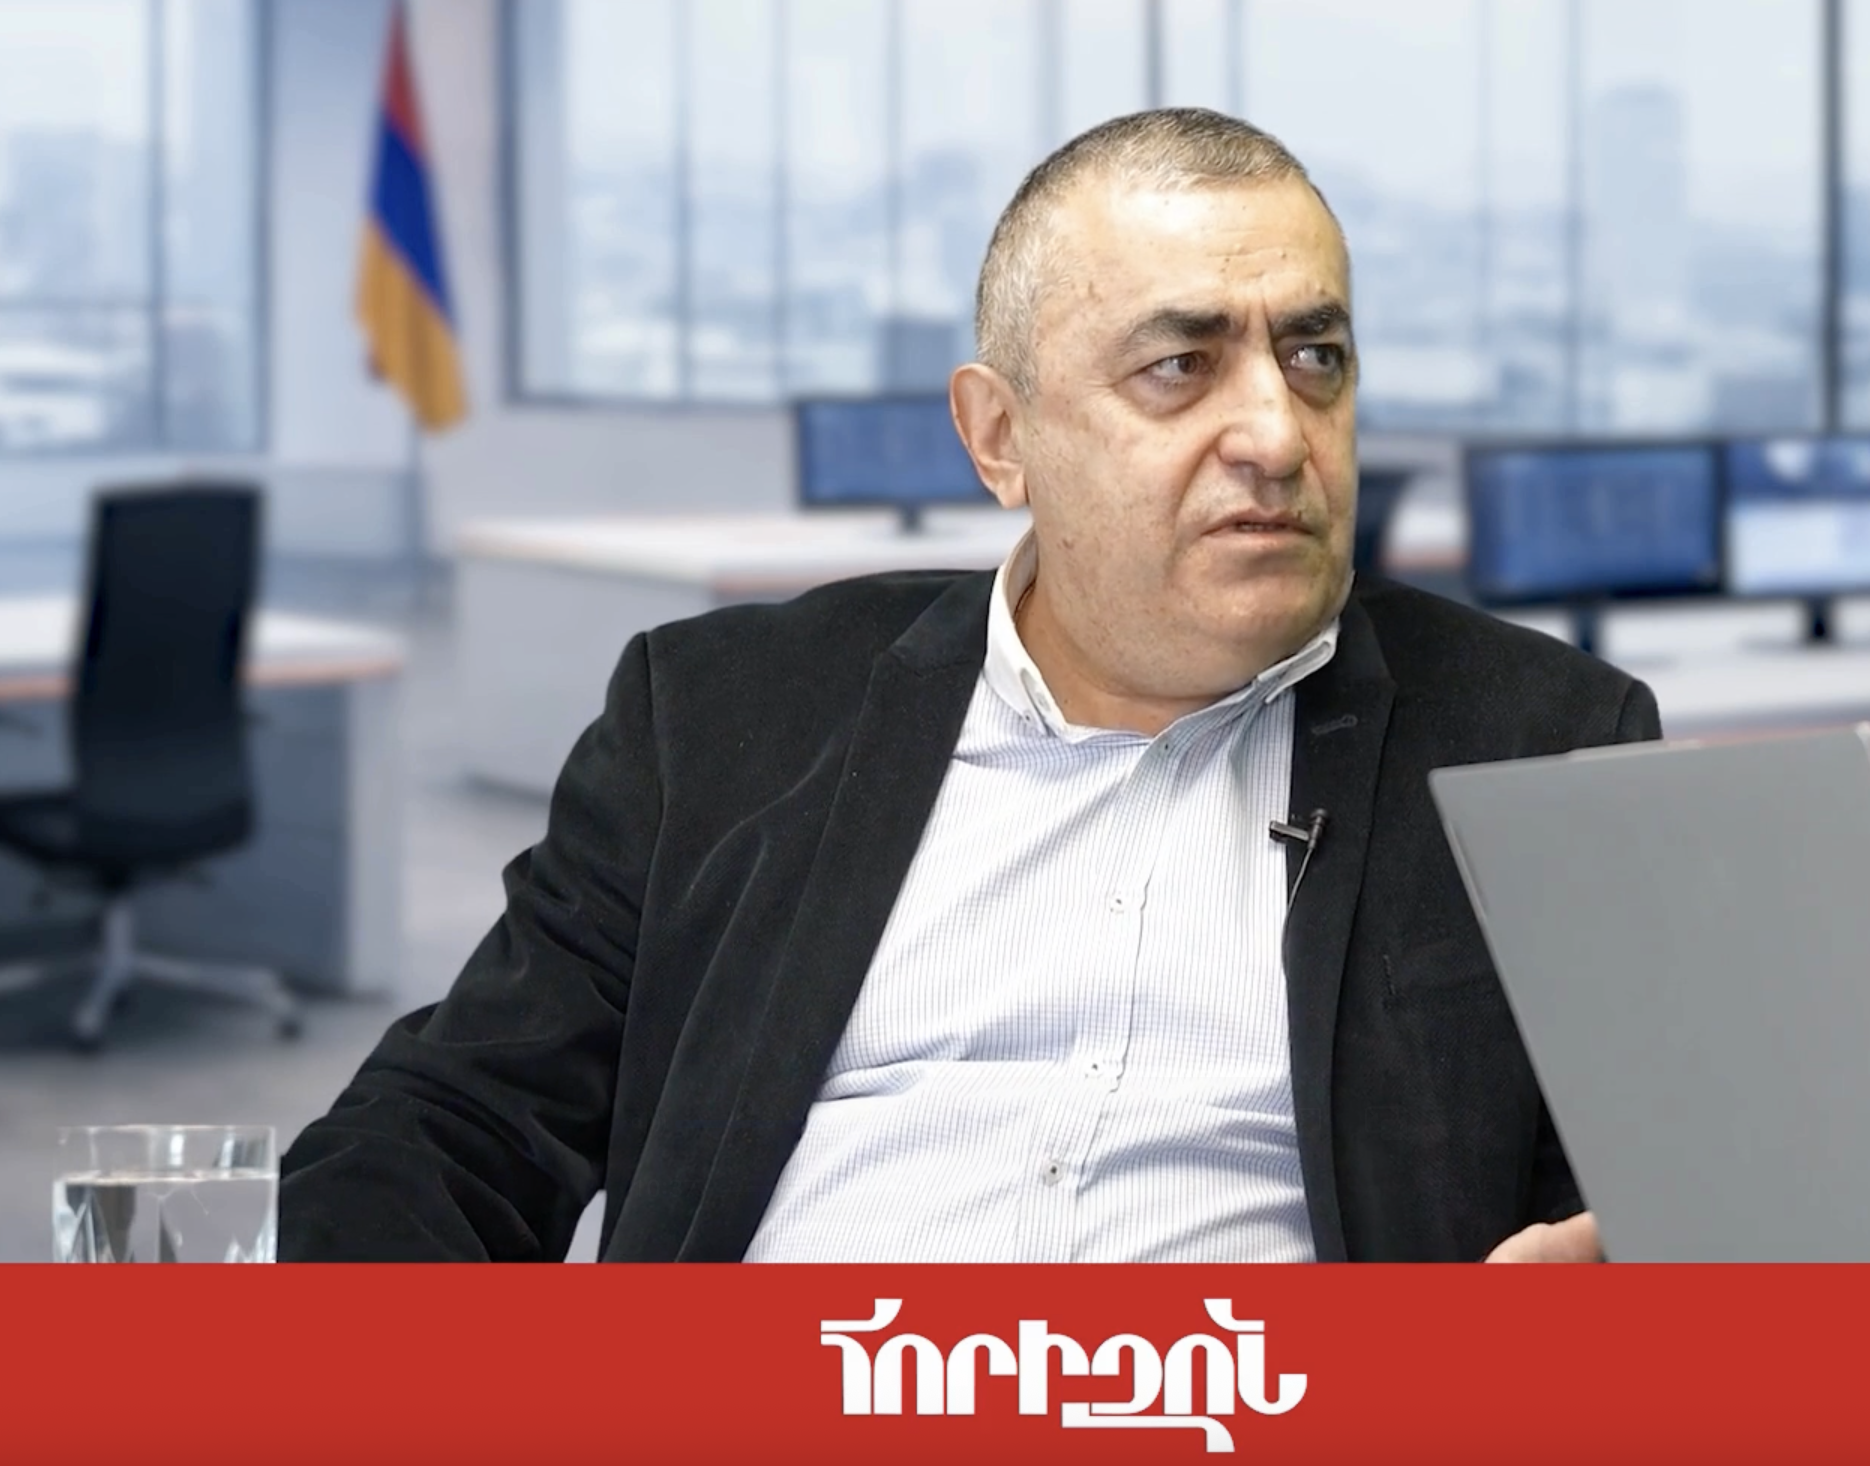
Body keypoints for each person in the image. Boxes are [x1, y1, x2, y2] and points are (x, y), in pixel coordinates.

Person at [280, 108, 1656, 1264]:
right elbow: (457, 1122)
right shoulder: (721, 717)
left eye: (1315, 358)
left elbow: (1662, 1197)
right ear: (1001, 436)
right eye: (1179, 366)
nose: (1275, 433)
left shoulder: (1537, 741)